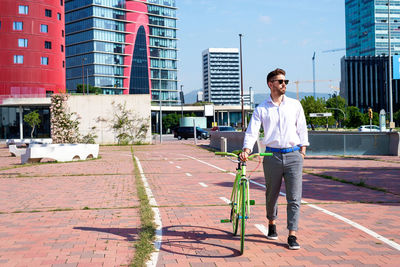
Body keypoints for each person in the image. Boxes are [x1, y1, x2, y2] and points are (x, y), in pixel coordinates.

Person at [239, 68, 309, 250]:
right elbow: (252, 131)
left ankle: (292, 235)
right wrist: (246, 149)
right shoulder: (261, 108)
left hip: (294, 155)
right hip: (272, 156)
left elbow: (302, 128)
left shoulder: (295, 105)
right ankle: (272, 223)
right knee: (272, 195)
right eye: (280, 81)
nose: (284, 84)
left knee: (294, 198)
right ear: (271, 84)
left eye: (285, 81)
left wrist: (302, 150)